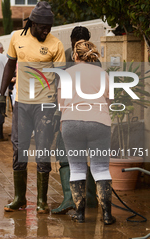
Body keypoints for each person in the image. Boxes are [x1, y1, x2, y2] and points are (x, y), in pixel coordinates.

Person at [0, 1, 66, 214]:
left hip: (45, 105)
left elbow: (62, 78)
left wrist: (58, 108)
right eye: (43, 28)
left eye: (49, 28)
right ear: (32, 23)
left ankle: (42, 201)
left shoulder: (56, 45)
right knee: (19, 148)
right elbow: (10, 65)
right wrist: (1, 95)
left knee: (43, 149)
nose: (46, 31)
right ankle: (20, 198)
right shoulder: (17, 37)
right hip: (22, 103)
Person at [58, 39, 116, 225]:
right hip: (99, 123)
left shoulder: (66, 74)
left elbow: (62, 104)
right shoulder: (102, 74)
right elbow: (109, 101)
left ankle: (80, 214)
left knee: (76, 168)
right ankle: (107, 215)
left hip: (71, 124)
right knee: (100, 168)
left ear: (75, 55)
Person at [52, 26, 99, 215]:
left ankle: (69, 199)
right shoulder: (95, 58)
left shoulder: (68, 55)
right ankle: (92, 199)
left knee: (64, 157)